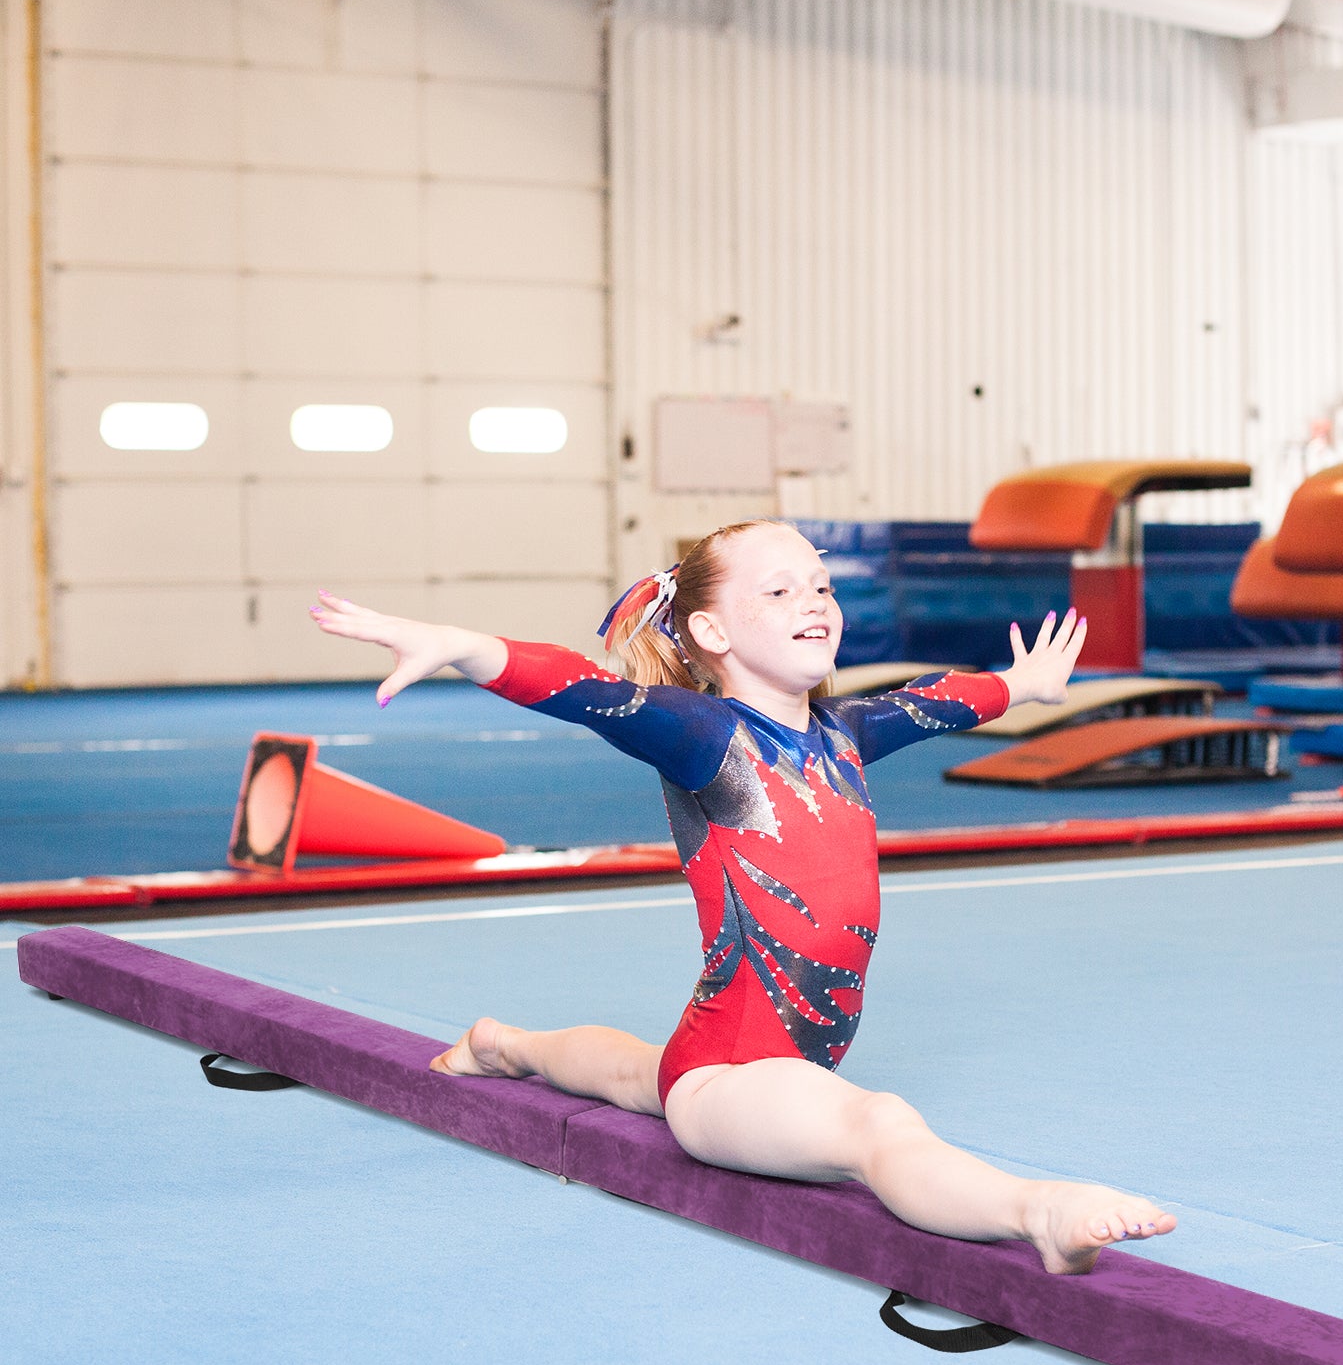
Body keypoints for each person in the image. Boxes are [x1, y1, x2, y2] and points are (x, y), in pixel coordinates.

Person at [310, 519, 1175, 1274]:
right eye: (781, 589)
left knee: (633, 1072)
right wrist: (464, 646)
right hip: (732, 1079)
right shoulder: (705, 737)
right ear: (711, 630)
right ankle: (1037, 1212)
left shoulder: (842, 734)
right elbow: (588, 692)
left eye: (822, 585)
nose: (815, 602)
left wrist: (1022, 687)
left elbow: (933, 703)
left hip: (718, 1046)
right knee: (876, 1126)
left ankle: (504, 1044)